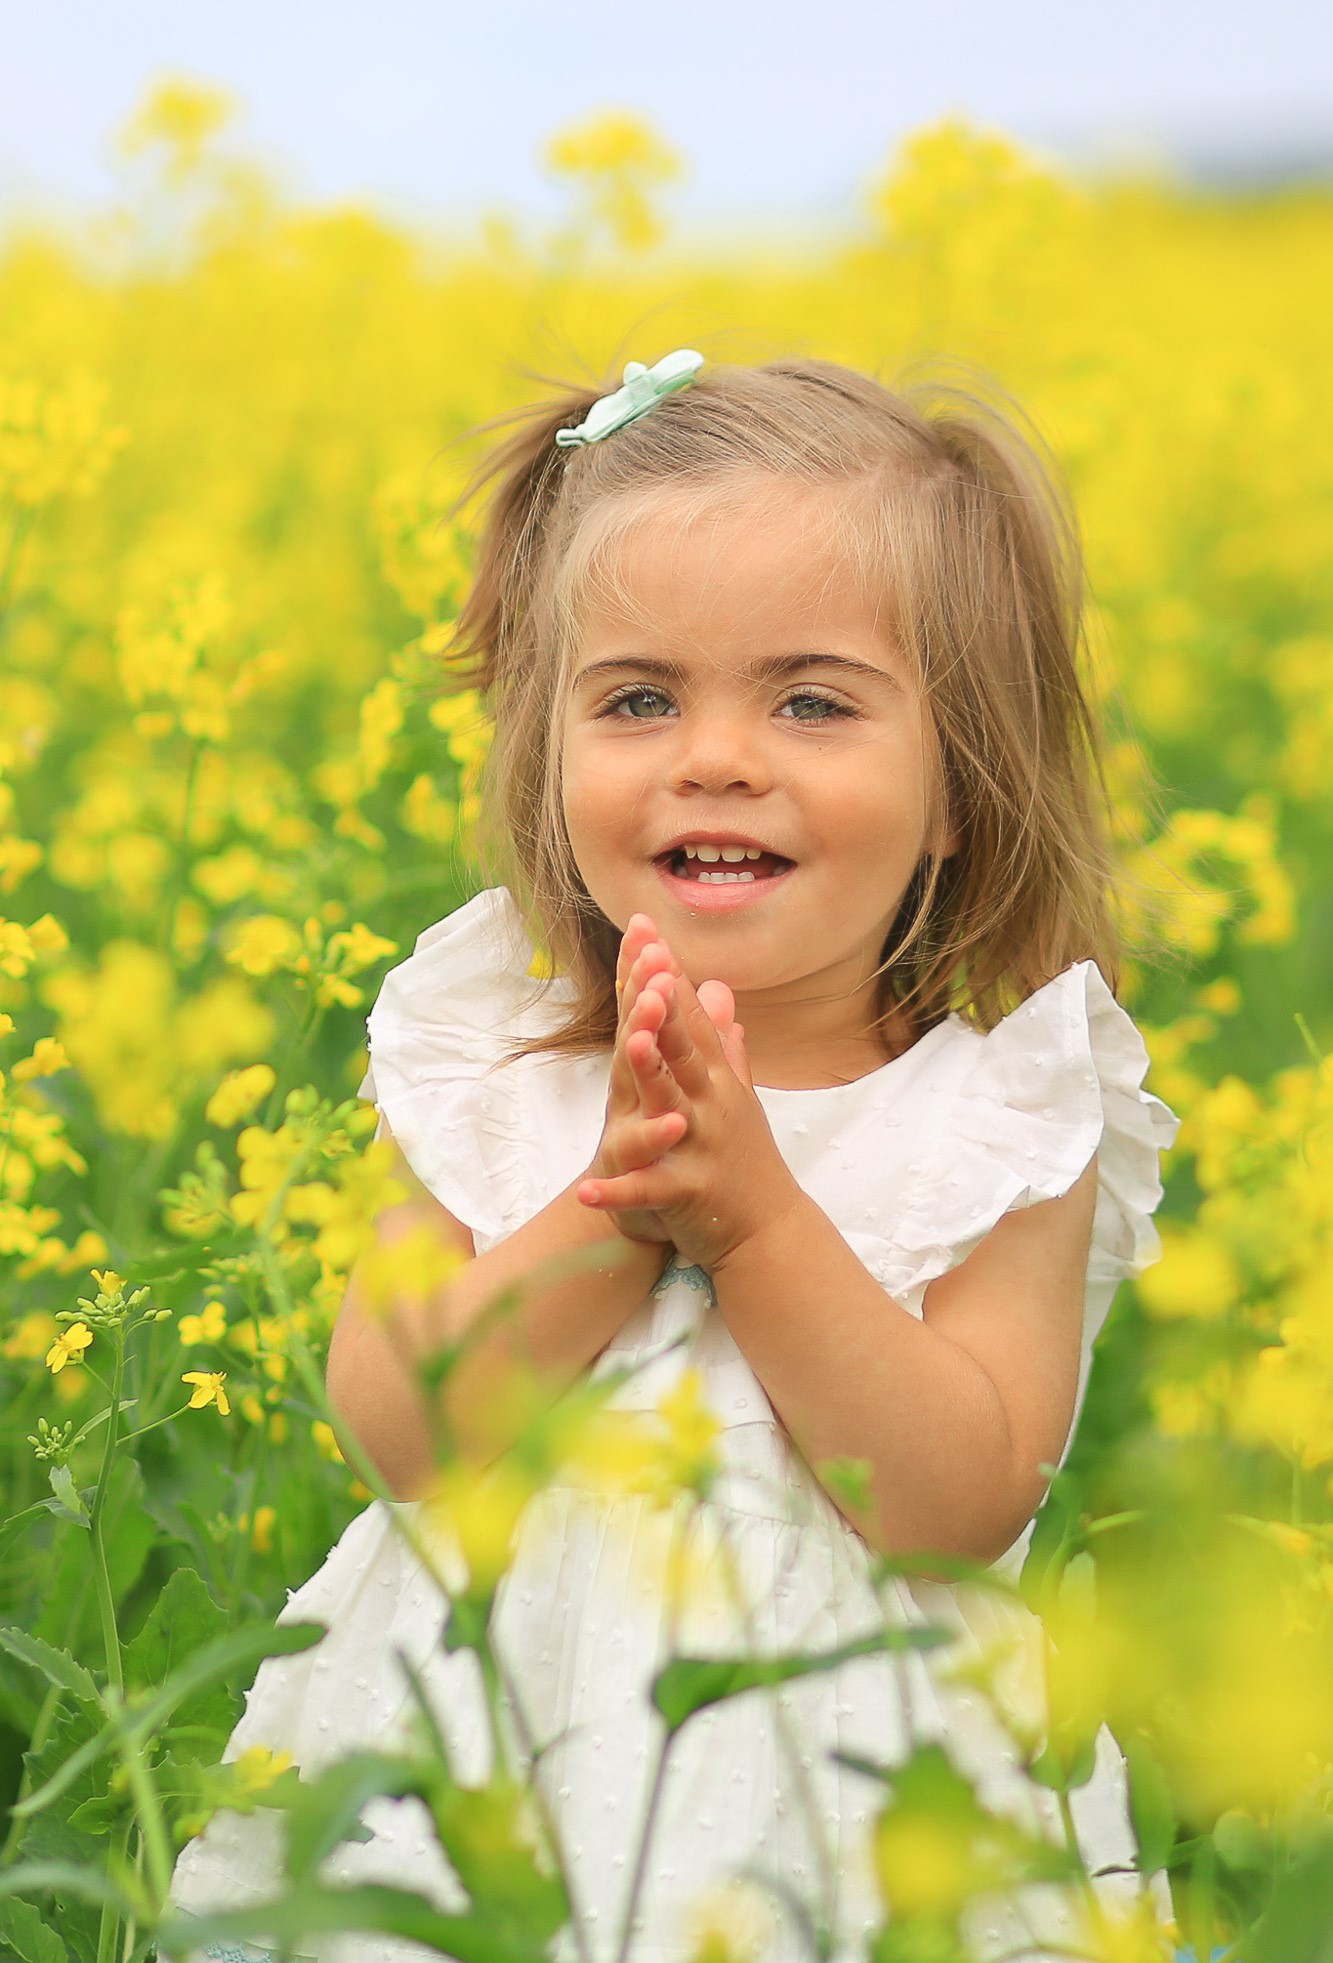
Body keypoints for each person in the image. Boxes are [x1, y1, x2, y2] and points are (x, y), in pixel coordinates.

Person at [168, 349, 1180, 1963]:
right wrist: (619, 1199)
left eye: (810, 700)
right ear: (544, 752)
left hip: (851, 1803)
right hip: (472, 1773)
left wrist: (756, 1219)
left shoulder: (999, 1117)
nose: (713, 755)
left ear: (954, 790)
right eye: (637, 698)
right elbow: (403, 1428)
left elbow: (954, 1501)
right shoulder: (484, 1054)